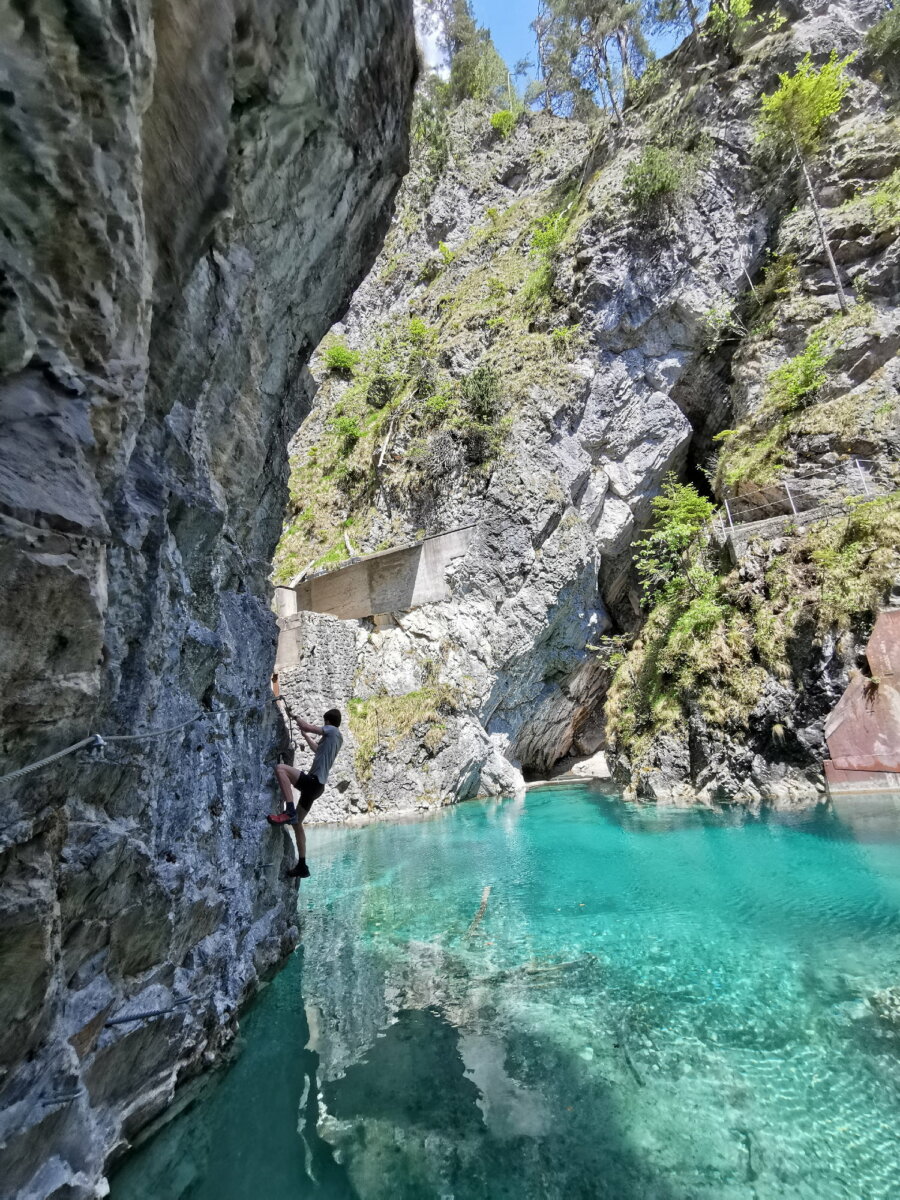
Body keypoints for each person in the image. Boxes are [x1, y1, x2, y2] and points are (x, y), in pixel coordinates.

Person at [267, 707, 343, 879]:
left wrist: (295, 717)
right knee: (297, 823)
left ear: (328, 722)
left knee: (280, 769)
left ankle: (289, 809)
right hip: (317, 787)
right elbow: (317, 749)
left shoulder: (331, 730)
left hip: (313, 782)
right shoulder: (336, 739)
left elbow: (309, 726)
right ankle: (302, 865)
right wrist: (306, 737)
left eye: (325, 723)